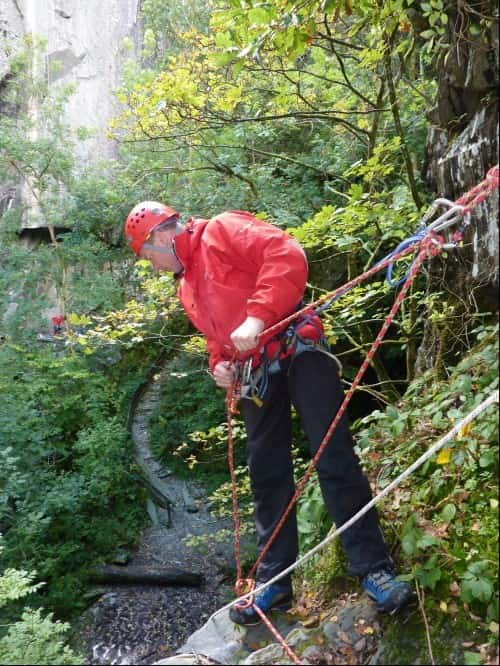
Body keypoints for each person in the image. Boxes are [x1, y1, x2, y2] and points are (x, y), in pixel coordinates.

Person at [124, 201, 414, 625]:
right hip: (252, 373)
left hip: (297, 349)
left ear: (162, 237)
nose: (152, 267)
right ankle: (276, 581)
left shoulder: (222, 231)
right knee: (266, 471)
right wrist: (218, 365)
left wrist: (257, 317)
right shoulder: (186, 286)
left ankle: (374, 570)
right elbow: (218, 337)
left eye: (148, 256)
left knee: (333, 455)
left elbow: (285, 254)